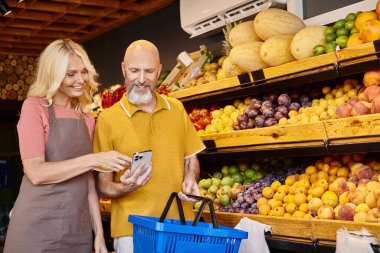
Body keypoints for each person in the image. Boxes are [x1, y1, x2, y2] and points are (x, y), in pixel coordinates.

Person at [4, 39, 131, 253]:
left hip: (77, 228)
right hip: (36, 228)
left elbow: (88, 182)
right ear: (53, 75)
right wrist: (94, 159)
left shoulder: (87, 118)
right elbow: (36, 172)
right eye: (70, 74)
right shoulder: (35, 108)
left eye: (83, 72)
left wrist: (98, 233)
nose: (80, 79)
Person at [93, 39, 205, 253]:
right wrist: (125, 187)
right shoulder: (107, 119)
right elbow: (103, 184)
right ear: (124, 69)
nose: (142, 79)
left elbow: (190, 158)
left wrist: (190, 178)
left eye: (149, 71)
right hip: (132, 232)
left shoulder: (177, 109)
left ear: (159, 71)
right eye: (135, 70)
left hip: (180, 226)